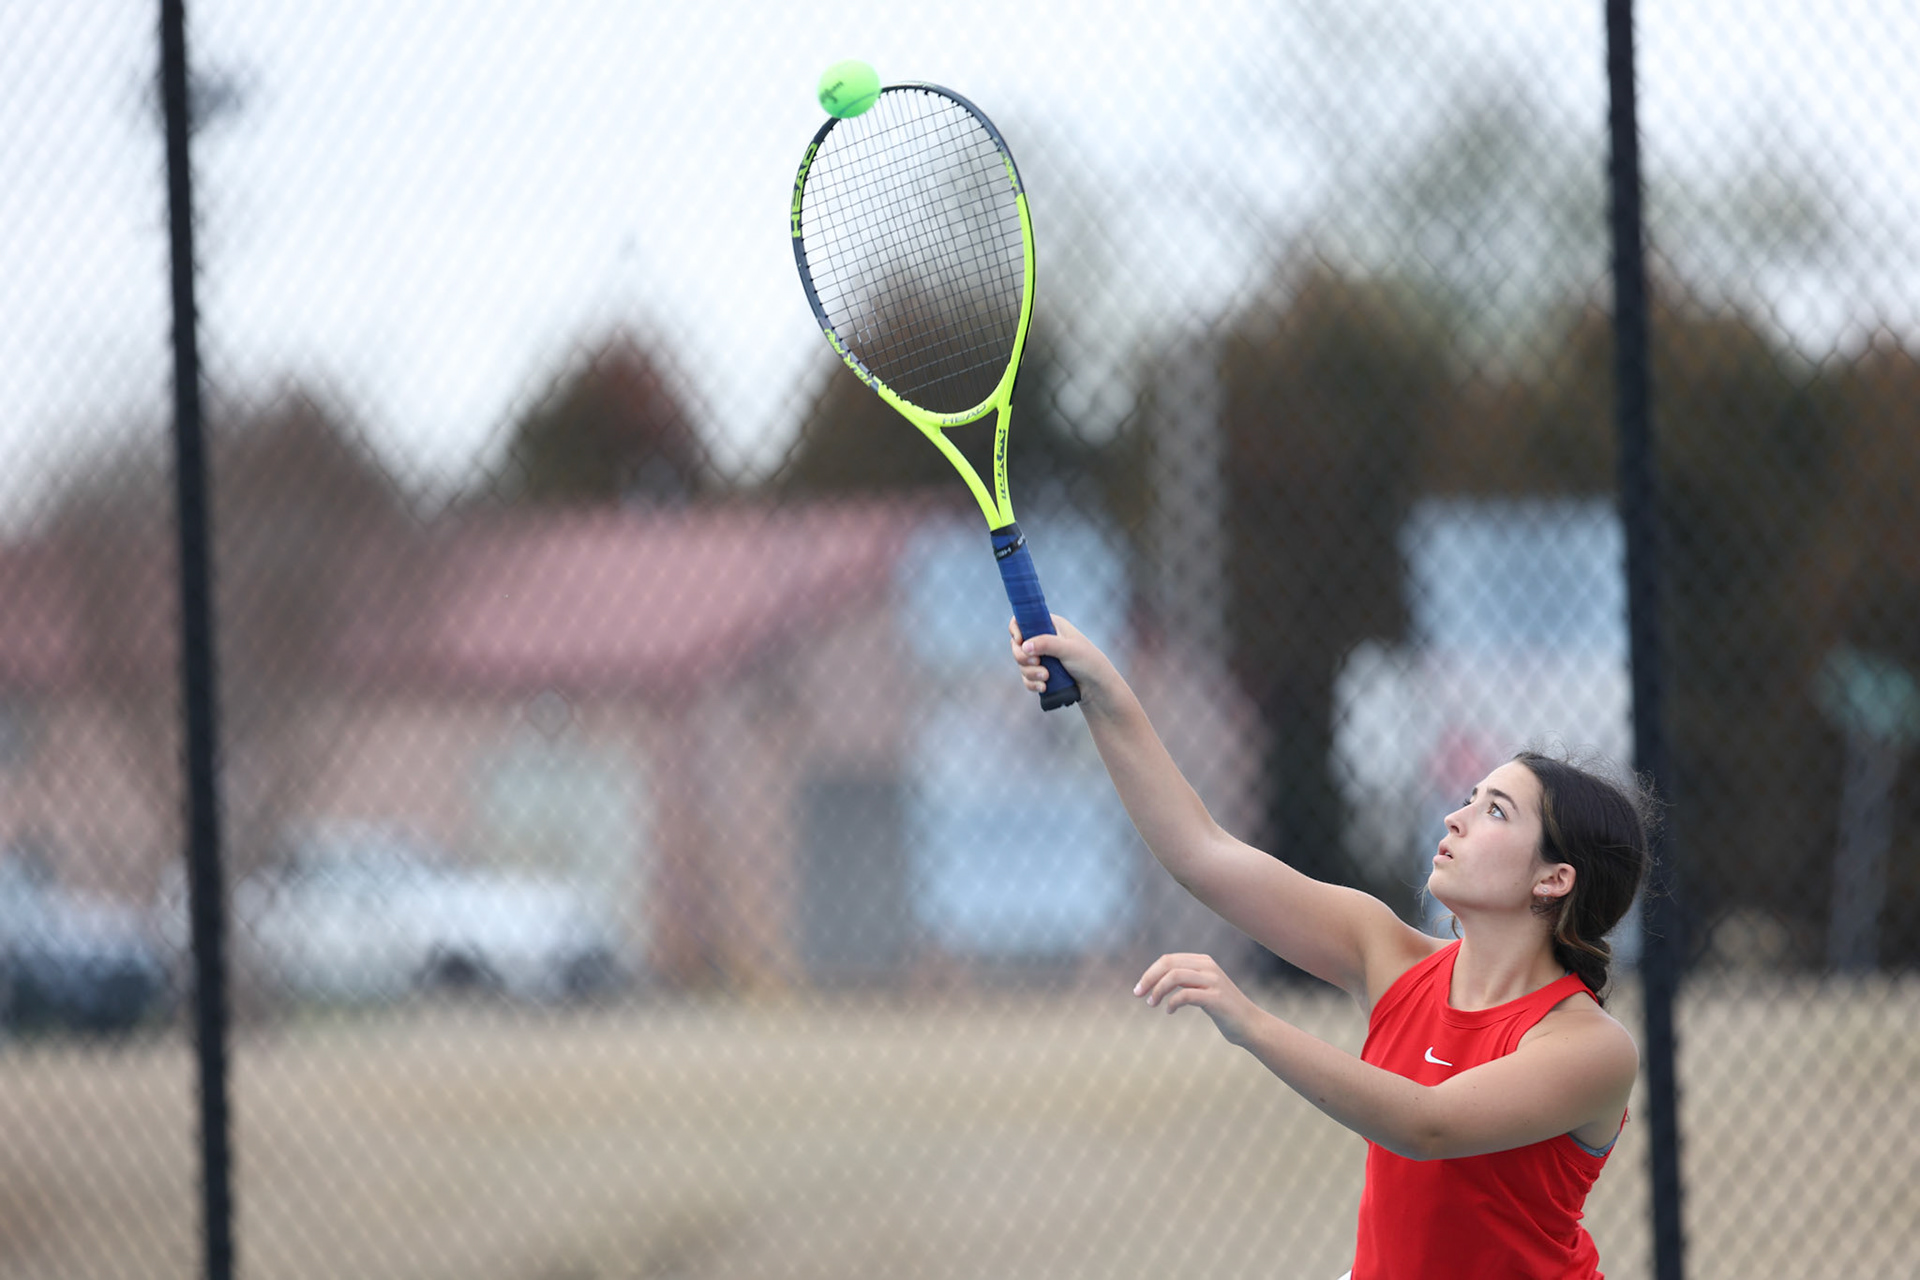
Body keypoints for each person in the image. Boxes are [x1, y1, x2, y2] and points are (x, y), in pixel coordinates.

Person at [1010, 616, 1654, 1280]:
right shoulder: (1386, 951)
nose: (1454, 816)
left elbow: (1428, 1125)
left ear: (1554, 880)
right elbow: (1201, 853)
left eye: (1495, 811)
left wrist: (1253, 1023)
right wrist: (1104, 688)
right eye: (1469, 797)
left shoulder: (1592, 1047)